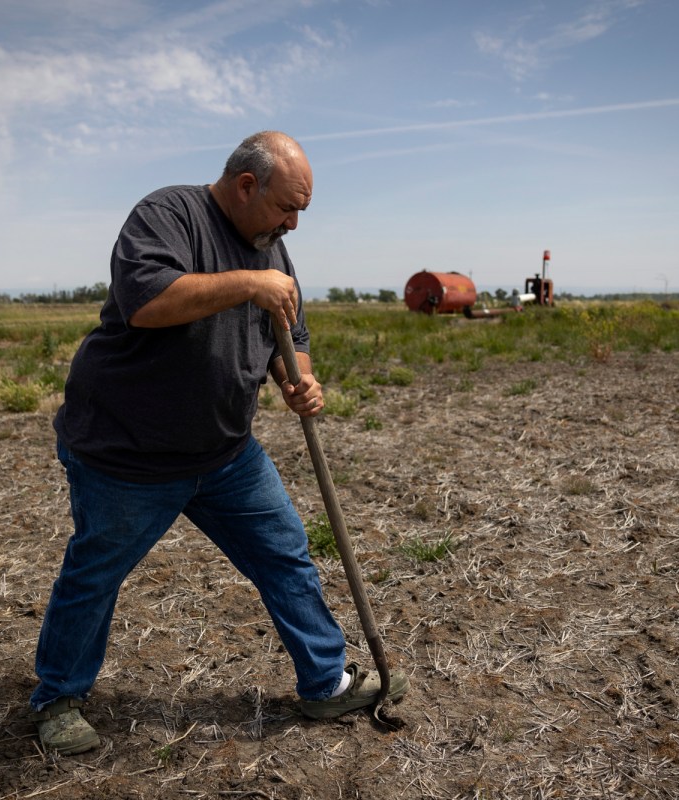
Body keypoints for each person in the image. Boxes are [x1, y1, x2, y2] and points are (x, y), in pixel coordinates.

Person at [29, 131, 408, 755]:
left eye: (301, 214)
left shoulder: (275, 253)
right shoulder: (168, 214)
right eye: (287, 208)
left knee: (285, 554)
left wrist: (299, 381)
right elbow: (147, 301)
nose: (292, 224)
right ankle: (58, 698)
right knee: (95, 574)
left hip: (225, 453)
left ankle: (325, 682)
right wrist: (248, 284)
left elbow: (294, 342)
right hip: (127, 455)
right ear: (246, 185)